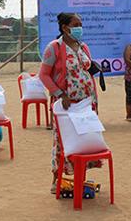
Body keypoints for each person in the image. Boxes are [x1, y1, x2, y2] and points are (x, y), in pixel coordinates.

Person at [39, 13, 99, 193]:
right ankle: (56, 178)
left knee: (85, 140)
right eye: (76, 24)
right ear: (65, 27)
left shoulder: (83, 47)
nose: (80, 27)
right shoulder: (54, 48)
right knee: (62, 141)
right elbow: (44, 75)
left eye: (81, 24)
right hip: (66, 105)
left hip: (87, 104)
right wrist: (59, 94)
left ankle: (82, 179)